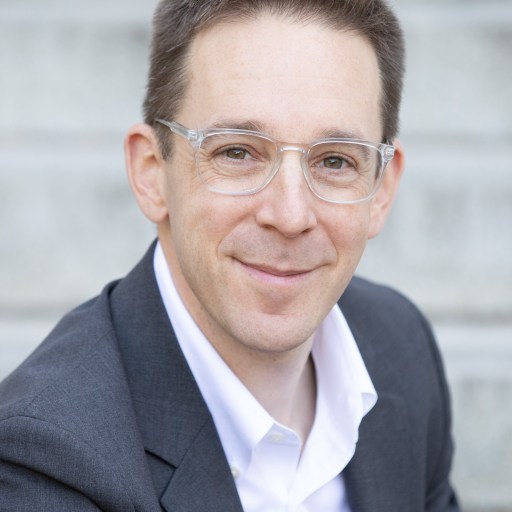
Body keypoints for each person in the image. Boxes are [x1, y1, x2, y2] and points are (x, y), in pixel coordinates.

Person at [0, 0, 460, 510]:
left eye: (335, 160)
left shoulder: (400, 346)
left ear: (380, 191)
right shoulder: (49, 460)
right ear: (152, 172)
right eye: (237, 152)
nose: (290, 215)